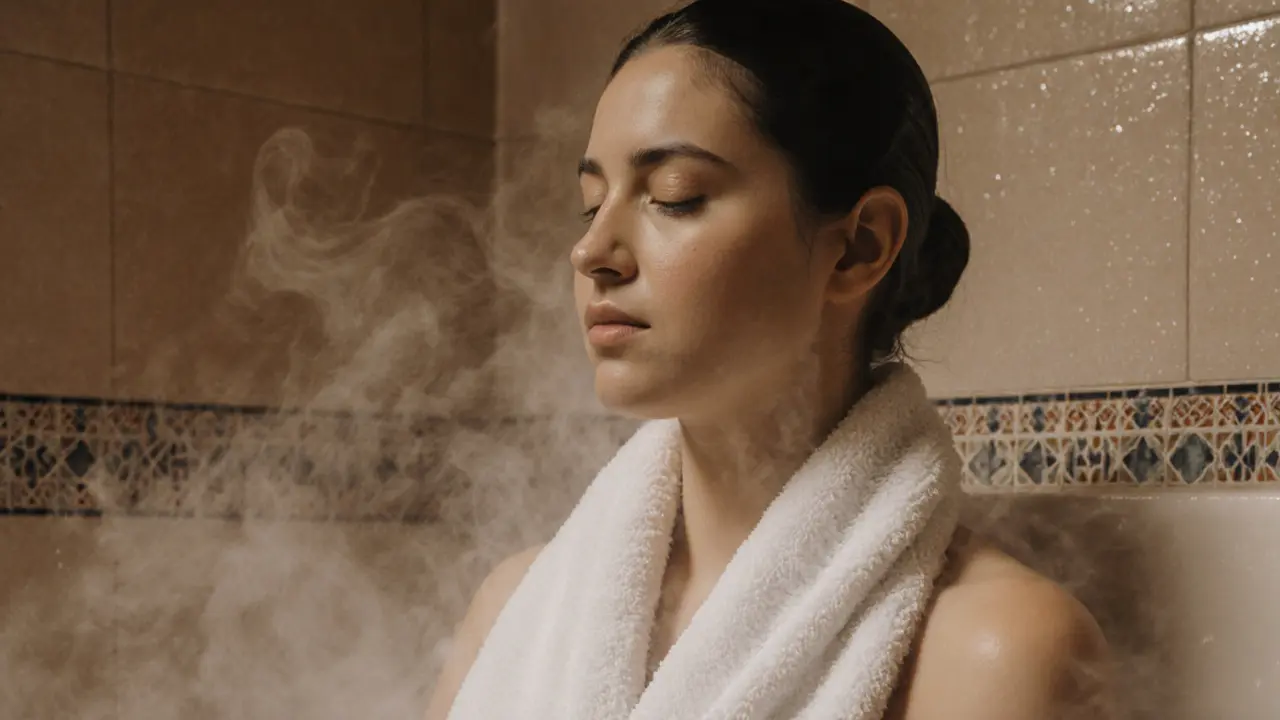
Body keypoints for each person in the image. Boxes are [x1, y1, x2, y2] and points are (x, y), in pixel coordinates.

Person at [427, 1, 1110, 718]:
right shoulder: (515, 613)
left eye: (674, 197)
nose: (591, 251)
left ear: (859, 246)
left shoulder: (998, 651)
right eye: (591, 203)